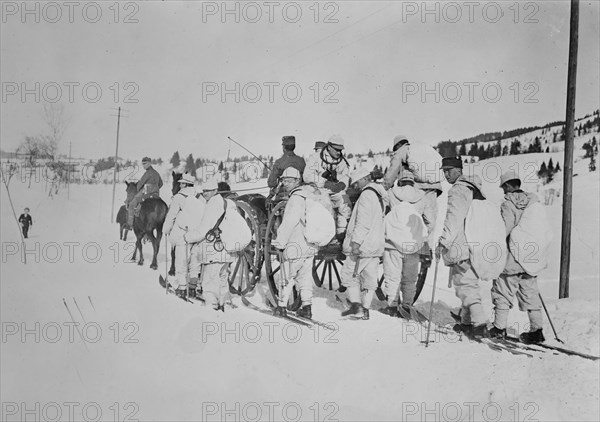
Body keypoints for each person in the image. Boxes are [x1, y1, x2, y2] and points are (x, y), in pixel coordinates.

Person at [435, 156, 489, 338]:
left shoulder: (458, 190)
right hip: (475, 244)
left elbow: (453, 219)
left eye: (449, 170)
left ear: (459, 170)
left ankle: (480, 323)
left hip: (460, 245)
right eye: (444, 171)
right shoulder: (475, 190)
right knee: (467, 284)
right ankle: (466, 323)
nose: (446, 174)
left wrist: (443, 242)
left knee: (465, 286)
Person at [490, 171, 546, 344]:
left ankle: (499, 328)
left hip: (511, 258)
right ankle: (537, 331)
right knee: (530, 294)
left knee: (502, 291)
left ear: (507, 186)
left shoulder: (508, 204)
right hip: (529, 258)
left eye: (503, 188)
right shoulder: (533, 202)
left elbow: (505, 228)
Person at [339, 167, 387, 320]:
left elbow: (363, 222)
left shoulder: (366, 195)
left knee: (348, 274)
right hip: (375, 245)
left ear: (365, 179)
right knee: (370, 278)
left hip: (363, 246)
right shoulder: (379, 194)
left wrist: (356, 243)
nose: (355, 186)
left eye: (356, 182)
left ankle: (357, 307)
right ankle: (365, 309)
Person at [271, 167, 318, 318]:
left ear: (297, 181)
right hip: (310, 244)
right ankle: (307, 307)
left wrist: (279, 242)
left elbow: (289, 222)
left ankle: (281, 307)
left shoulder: (295, 199)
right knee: (305, 277)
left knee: (287, 276)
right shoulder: (309, 196)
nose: (285, 183)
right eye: (284, 180)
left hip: (295, 244)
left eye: (289, 180)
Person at [382, 173, 429, 317]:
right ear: (413, 183)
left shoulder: (391, 193)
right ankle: (407, 305)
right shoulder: (422, 196)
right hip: (413, 245)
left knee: (392, 276)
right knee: (409, 279)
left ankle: (392, 304)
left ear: (400, 183)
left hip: (393, 245)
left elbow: (383, 212)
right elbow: (428, 221)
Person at [184, 178, 235, 310]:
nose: (205, 194)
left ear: (215, 191)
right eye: (203, 191)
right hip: (226, 251)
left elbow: (203, 230)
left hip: (213, 252)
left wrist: (187, 237)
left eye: (207, 191)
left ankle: (212, 310)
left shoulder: (212, 204)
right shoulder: (227, 203)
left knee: (210, 283)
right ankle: (224, 304)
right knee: (223, 279)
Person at [163, 173, 206, 299]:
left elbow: (171, 216)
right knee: (195, 262)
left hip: (183, 234)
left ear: (184, 184)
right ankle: (193, 287)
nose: (179, 184)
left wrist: (166, 229)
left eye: (181, 183)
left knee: (181, 261)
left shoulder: (178, 197)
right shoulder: (200, 197)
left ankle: (182, 288)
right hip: (197, 234)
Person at [303, 134, 351, 239]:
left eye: (340, 150)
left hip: (334, 188)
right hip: (318, 189)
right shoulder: (316, 158)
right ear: (329, 147)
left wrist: (342, 184)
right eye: (336, 150)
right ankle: (326, 235)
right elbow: (307, 176)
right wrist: (324, 182)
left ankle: (341, 233)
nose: (338, 152)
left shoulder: (342, 161)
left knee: (345, 202)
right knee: (325, 204)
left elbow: (346, 176)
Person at [127, 157, 164, 228]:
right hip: (156, 194)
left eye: (145, 163)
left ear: (149, 163)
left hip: (146, 193)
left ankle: (130, 224)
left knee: (131, 205)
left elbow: (140, 185)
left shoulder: (147, 173)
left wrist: (139, 189)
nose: (143, 165)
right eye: (142, 164)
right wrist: (155, 188)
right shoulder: (156, 173)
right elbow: (161, 183)